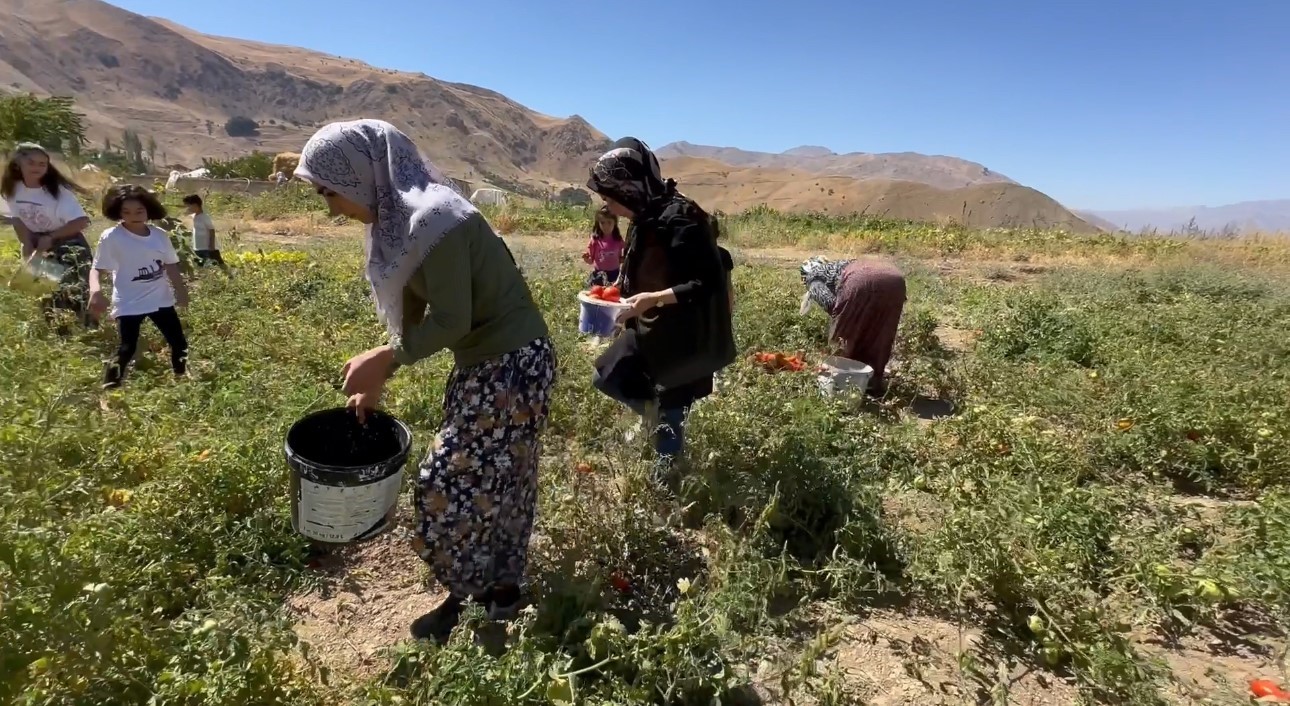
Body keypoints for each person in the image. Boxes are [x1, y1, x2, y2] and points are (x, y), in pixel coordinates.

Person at [293, 119, 556, 642]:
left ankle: (478, 594)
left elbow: (452, 319)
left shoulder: (438, 218)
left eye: (330, 191)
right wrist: (376, 381)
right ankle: (495, 597)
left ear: (361, 175)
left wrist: (385, 359)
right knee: (500, 484)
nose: (331, 207)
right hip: (488, 364)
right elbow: (419, 308)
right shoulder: (402, 224)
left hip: (511, 367)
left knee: (445, 487)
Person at [586, 137, 735, 482]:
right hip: (649, 326)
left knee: (672, 413)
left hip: (684, 335)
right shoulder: (645, 214)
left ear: (631, 187)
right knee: (606, 376)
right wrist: (618, 304)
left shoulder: (681, 218)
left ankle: (665, 486)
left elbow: (706, 282)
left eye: (611, 197)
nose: (609, 205)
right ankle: (654, 418)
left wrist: (653, 299)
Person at [89, 185, 190, 389]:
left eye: (139, 211)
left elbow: (171, 265)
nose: (133, 216)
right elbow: (97, 268)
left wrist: (181, 291)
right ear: (117, 211)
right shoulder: (112, 237)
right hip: (129, 301)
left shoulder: (159, 235)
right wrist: (95, 291)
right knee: (127, 347)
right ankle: (110, 387)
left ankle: (181, 380)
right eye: (126, 212)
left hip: (160, 298)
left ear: (149, 210)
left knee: (179, 342)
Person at [1, 143, 94, 327]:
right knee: (46, 293)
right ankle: (59, 337)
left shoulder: (57, 191)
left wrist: (50, 237)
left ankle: (86, 335)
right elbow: (17, 219)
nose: (37, 167)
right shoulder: (10, 189)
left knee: (72, 293)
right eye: (32, 162)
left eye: (42, 164)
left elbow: (80, 222)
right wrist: (27, 245)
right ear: (18, 163)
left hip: (69, 245)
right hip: (38, 243)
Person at [800, 256, 907, 394]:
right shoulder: (841, 264)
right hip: (896, 281)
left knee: (843, 336)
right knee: (882, 331)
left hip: (860, 279)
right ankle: (874, 381)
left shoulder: (814, 278)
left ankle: (841, 382)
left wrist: (845, 324)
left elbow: (832, 305)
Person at [182, 194, 229, 272]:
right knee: (202, 267)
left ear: (195, 205)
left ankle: (229, 276)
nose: (187, 208)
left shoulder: (204, 217)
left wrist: (211, 245)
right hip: (198, 248)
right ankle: (209, 280)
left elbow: (211, 230)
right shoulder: (194, 216)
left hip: (208, 248)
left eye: (188, 206)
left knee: (218, 263)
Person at [581, 206, 625, 287]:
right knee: (597, 296)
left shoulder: (618, 240)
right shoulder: (595, 240)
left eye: (609, 222)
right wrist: (586, 258)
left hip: (614, 274)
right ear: (598, 223)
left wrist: (623, 259)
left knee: (612, 296)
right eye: (602, 223)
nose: (606, 226)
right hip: (599, 275)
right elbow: (591, 260)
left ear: (614, 223)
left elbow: (623, 257)